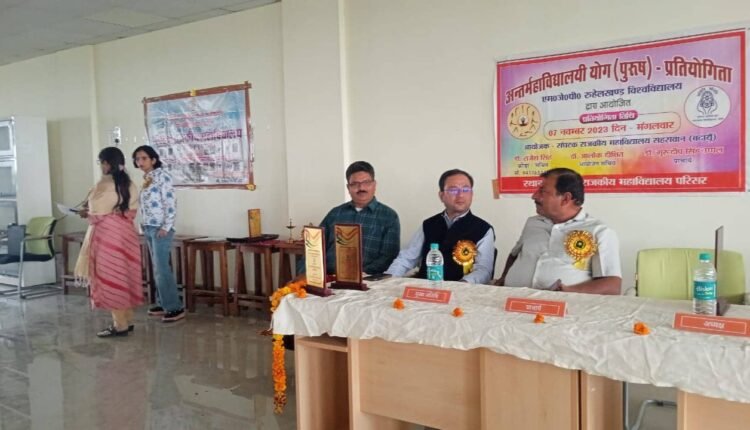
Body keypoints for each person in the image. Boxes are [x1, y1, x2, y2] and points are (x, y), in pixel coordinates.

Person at [494, 167, 621, 295]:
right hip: (512, 298)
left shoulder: (599, 232)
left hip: (564, 303)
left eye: (542, 191)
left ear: (566, 198)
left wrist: (568, 291)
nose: (534, 196)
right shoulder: (533, 223)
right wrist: (503, 279)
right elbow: (515, 255)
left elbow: (612, 286)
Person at [75, 147, 142, 337]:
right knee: (126, 275)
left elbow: (96, 212)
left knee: (111, 278)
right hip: (126, 234)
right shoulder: (130, 184)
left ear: (107, 163)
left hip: (107, 236)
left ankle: (119, 325)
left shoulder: (104, 185)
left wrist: (85, 212)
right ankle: (127, 320)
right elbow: (130, 211)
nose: (101, 166)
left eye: (102, 162)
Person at [386, 169, 495, 284]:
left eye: (466, 189)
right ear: (441, 196)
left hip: (463, 289)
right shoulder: (428, 224)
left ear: (472, 194)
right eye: (453, 190)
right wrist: (387, 278)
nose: (460, 195)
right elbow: (406, 259)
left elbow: (484, 270)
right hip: (426, 288)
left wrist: (461, 285)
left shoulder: (483, 229)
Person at [298, 161, 401, 275]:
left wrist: (359, 275)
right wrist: (305, 274)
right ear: (348, 187)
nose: (361, 188)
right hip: (328, 277)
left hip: (367, 279)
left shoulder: (388, 217)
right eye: (355, 184)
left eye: (366, 182)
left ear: (374, 184)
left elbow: (388, 257)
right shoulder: (335, 213)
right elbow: (315, 247)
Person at [132, 145, 184, 322]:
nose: (140, 162)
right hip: (149, 227)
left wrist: (166, 227)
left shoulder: (163, 176)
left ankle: (175, 307)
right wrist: (142, 226)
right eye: (137, 159)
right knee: (157, 268)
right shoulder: (147, 178)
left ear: (153, 160)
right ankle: (163, 303)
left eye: (144, 158)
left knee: (162, 269)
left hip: (160, 228)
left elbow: (170, 203)